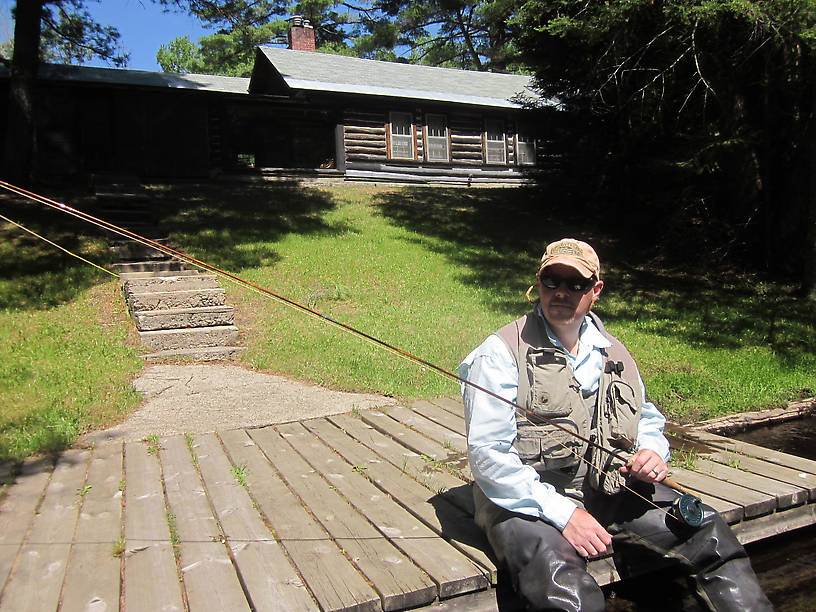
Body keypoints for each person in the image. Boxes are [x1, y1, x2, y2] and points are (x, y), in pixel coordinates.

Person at [459, 238, 772, 611]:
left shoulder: (613, 350)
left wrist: (652, 451)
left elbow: (646, 417)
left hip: (607, 490)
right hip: (521, 501)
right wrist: (565, 514)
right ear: (537, 284)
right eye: (551, 281)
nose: (561, 292)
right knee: (565, 588)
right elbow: (489, 457)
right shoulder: (499, 352)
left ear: (596, 290)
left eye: (575, 284)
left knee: (709, 533)